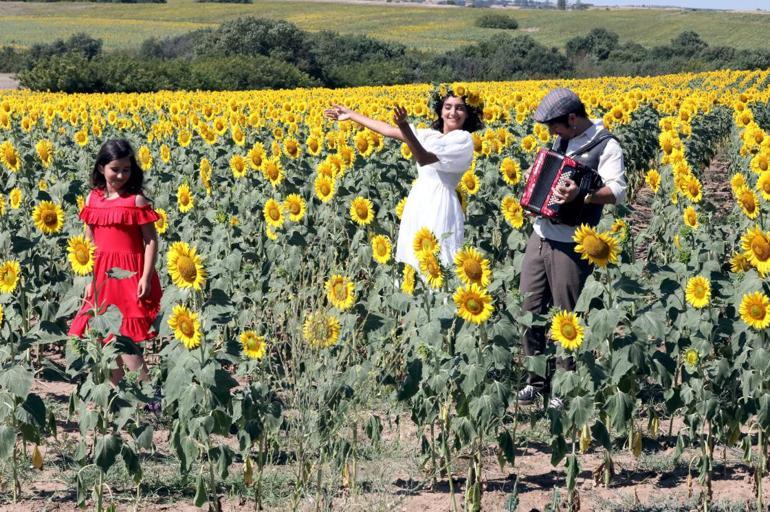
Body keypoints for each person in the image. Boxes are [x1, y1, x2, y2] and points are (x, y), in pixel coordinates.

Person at [517, 88, 626, 408]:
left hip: (571, 242)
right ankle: (535, 380)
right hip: (541, 234)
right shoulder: (562, 141)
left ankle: (565, 386)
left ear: (573, 118)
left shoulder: (606, 145)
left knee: (567, 319)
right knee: (529, 309)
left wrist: (584, 194)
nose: (552, 132)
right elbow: (551, 172)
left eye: (555, 126)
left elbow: (617, 191)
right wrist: (534, 176)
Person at [323, 86, 482, 270]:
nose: (452, 112)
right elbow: (388, 130)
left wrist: (404, 126)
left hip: (441, 205)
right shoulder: (430, 135)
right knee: (412, 259)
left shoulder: (463, 141)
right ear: (440, 110)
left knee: (438, 262)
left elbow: (424, 158)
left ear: (468, 113)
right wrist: (351, 115)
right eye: (448, 106)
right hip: (419, 200)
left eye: (459, 108)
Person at [69, 139, 162, 385]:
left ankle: (149, 399)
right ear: (101, 168)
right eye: (115, 169)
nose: (121, 174)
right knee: (103, 337)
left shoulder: (135, 201)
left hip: (129, 275)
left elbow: (151, 241)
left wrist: (145, 276)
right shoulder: (93, 199)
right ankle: (121, 396)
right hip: (101, 275)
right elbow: (88, 242)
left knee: (125, 338)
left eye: (126, 169)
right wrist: (88, 281)